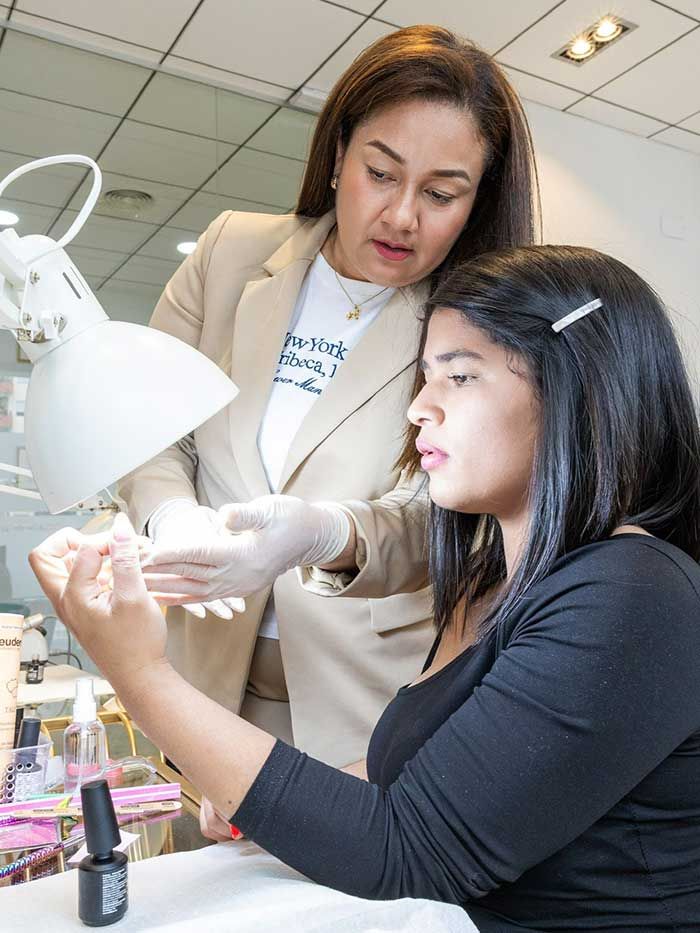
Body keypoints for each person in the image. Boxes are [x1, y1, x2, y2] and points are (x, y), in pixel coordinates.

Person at [32, 244, 700, 931]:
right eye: (424, 377)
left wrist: (138, 671)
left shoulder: (635, 598)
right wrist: (262, 803)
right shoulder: (491, 582)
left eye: (460, 377)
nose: (420, 409)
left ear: (578, 394)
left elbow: (407, 843)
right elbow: (415, 784)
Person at [118, 24, 539, 766]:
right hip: (202, 674)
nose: (404, 215)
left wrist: (326, 533)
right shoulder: (230, 252)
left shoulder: (480, 324)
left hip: (364, 700)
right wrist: (171, 513)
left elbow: (449, 521)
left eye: (442, 194)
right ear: (340, 152)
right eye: (381, 173)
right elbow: (147, 423)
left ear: (477, 202)